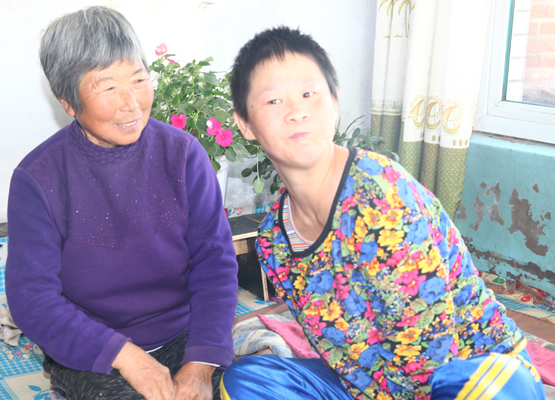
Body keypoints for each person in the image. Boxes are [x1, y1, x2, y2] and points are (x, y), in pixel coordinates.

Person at [220, 26, 546, 400]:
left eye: (309, 94)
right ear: (245, 123)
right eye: (274, 101)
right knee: (246, 382)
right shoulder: (274, 242)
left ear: (334, 103)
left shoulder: (381, 198)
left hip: (468, 377)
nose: (297, 112)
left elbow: (430, 356)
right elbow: (334, 351)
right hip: (372, 387)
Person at [5, 7, 238, 400]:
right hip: (94, 350)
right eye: (107, 87)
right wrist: (126, 357)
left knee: (250, 386)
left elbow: (214, 262)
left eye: (139, 79)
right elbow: (32, 298)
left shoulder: (183, 155)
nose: (131, 103)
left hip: (183, 335)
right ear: (68, 101)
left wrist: (201, 363)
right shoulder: (38, 179)